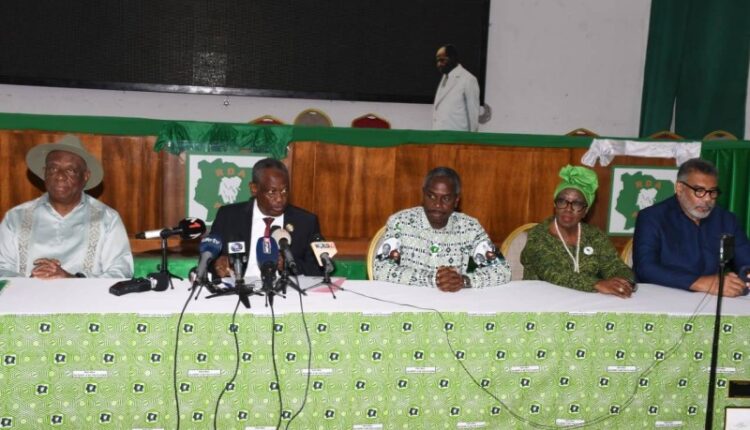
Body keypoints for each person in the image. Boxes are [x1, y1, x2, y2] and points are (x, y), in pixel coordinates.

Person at [0, 135, 133, 278]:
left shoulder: (107, 218)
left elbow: (121, 272)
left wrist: (71, 280)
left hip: (84, 293)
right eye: (53, 168)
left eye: (70, 170)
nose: (60, 176)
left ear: (85, 176)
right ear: (45, 173)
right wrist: (32, 282)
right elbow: (2, 268)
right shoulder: (15, 217)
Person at [373, 167, 510, 291]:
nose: (437, 204)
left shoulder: (469, 228)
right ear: (423, 195)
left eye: (446, 199)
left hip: (452, 302)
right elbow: (381, 269)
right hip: (408, 300)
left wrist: (464, 281)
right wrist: (433, 279)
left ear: (456, 201)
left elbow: (502, 270)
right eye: (431, 196)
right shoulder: (401, 222)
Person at [633, 158, 750, 296]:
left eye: (712, 192)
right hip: (663, 296)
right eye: (699, 191)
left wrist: (744, 277)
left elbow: (746, 262)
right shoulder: (652, 217)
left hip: (711, 298)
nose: (707, 199)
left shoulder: (727, 220)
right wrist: (701, 283)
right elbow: (645, 268)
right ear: (680, 188)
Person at [521, 165, 634, 297]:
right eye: (562, 201)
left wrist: (623, 281)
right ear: (555, 205)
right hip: (541, 300)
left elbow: (614, 265)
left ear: (586, 211)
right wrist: (597, 284)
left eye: (577, 203)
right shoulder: (538, 235)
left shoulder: (595, 235)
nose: (568, 208)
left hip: (588, 302)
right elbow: (553, 272)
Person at [210, 158, 323, 277]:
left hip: (287, 288)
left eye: (284, 191)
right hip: (239, 286)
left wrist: (288, 265)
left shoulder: (306, 222)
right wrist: (216, 265)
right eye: (272, 192)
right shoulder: (228, 216)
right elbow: (208, 259)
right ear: (254, 188)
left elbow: (320, 269)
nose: (280, 199)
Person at [432, 44, 481, 132]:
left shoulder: (468, 79)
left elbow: (473, 116)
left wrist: (471, 139)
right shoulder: (444, 78)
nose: (439, 64)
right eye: (437, 61)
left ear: (453, 58)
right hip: (438, 137)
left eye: (442, 60)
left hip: (458, 138)